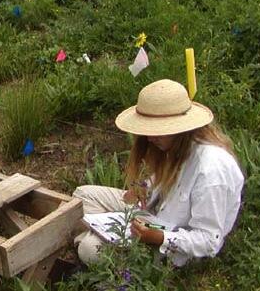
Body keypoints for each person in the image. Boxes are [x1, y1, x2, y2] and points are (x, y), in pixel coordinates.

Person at [73, 79, 244, 266]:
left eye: (157, 131)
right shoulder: (175, 147)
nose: (149, 138)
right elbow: (164, 183)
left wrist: (159, 237)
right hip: (153, 217)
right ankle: (102, 238)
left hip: (171, 242)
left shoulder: (211, 171)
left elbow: (210, 241)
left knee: (89, 248)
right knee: (81, 197)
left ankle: (98, 245)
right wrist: (142, 188)